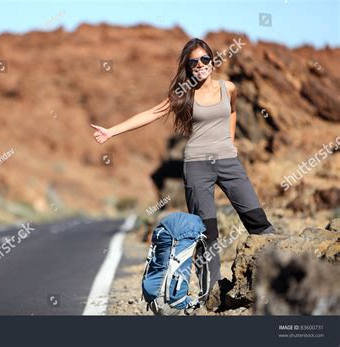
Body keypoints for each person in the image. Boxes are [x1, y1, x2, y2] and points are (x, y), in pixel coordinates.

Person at [90, 38, 274, 292]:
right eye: (194, 61)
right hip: (197, 166)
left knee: (257, 220)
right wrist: (111, 131)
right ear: (188, 66)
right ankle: (211, 293)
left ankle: (277, 277)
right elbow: (152, 113)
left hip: (229, 162)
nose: (200, 65)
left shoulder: (228, 88)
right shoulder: (184, 94)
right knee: (207, 234)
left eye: (204, 59)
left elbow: (231, 112)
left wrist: (230, 143)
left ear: (212, 61)